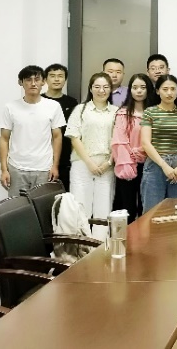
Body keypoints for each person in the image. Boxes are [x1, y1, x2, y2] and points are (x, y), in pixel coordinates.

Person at [0, 65, 66, 197]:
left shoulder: (53, 106)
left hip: (44, 168)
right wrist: (4, 169)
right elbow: (4, 139)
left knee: (41, 207)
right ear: (21, 82)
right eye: (28, 80)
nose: (33, 83)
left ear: (43, 82)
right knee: (17, 206)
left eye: (37, 79)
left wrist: (55, 165)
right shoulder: (10, 107)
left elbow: (57, 137)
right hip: (16, 167)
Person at [66, 72, 118, 240]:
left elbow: (119, 140)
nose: (101, 90)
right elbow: (74, 137)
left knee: (104, 209)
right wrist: (89, 162)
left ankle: (99, 246)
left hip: (106, 166)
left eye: (105, 87)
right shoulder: (80, 110)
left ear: (110, 89)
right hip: (82, 164)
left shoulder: (116, 112)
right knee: (80, 208)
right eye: (97, 87)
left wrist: (109, 162)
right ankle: (80, 247)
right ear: (90, 88)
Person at [140, 75, 177, 210]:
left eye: (173, 89)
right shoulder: (150, 112)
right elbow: (145, 143)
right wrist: (164, 165)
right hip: (155, 164)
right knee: (152, 211)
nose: (169, 93)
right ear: (158, 91)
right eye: (165, 89)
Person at [111, 73, 153, 222]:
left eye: (143, 87)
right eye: (135, 87)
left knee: (146, 207)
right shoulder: (122, 113)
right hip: (127, 165)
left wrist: (143, 151)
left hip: (150, 164)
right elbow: (119, 140)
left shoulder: (154, 112)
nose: (139, 91)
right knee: (127, 207)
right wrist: (131, 156)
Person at [42, 63, 78, 192]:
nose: (56, 79)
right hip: (43, 154)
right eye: (52, 76)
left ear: (65, 79)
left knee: (64, 196)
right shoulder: (39, 101)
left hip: (65, 156)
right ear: (45, 80)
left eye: (60, 76)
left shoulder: (72, 102)